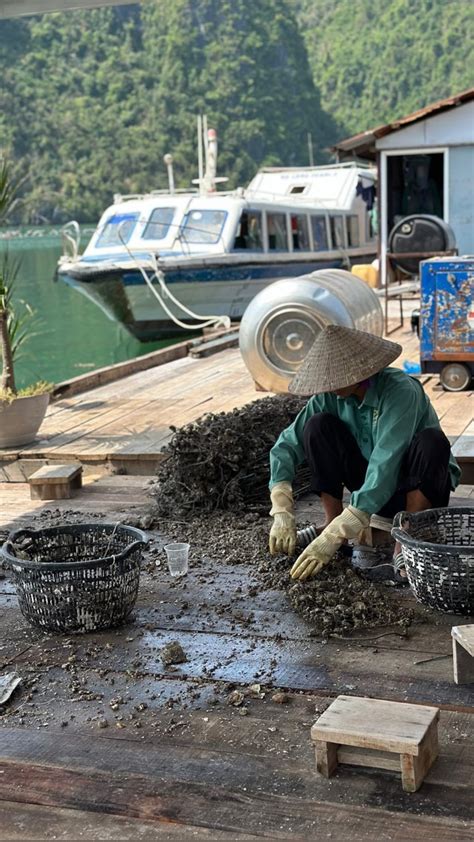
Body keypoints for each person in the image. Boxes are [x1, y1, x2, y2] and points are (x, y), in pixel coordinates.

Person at [268, 325, 461, 581]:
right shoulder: (328, 397)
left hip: (415, 487)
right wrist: (281, 506)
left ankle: (406, 540)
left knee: (432, 441)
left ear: (359, 373)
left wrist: (338, 533)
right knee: (317, 426)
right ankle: (331, 520)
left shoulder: (400, 391)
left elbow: (386, 462)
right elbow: (286, 445)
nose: (329, 387)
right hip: (373, 491)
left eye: (335, 380)